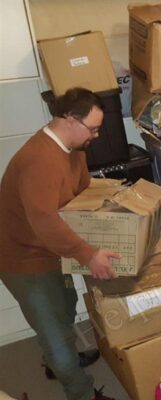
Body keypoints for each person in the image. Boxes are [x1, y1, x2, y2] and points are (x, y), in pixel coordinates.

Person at [0, 88, 121, 400]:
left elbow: (82, 190)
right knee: (54, 333)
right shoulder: (39, 160)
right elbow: (44, 222)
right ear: (69, 119)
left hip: (53, 251)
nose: (96, 135)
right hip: (24, 260)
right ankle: (80, 391)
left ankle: (57, 362)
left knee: (66, 308)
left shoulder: (74, 148)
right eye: (92, 128)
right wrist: (89, 254)